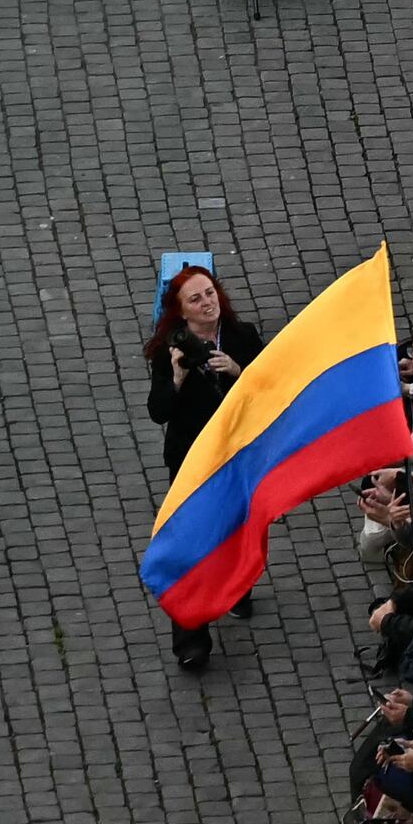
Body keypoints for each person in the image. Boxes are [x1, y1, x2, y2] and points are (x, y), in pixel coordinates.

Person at [142, 260, 265, 667]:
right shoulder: (169, 350)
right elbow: (159, 411)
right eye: (195, 299)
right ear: (182, 311)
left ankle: (237, 587)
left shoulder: (242, 336)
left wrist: (238, 371)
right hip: (192, 461)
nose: (207, 302)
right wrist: (176, 379)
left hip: (238, 457)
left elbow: (270, 390)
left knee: (239, 528)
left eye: (210, 293)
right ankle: (191, 639)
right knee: (191, 544)